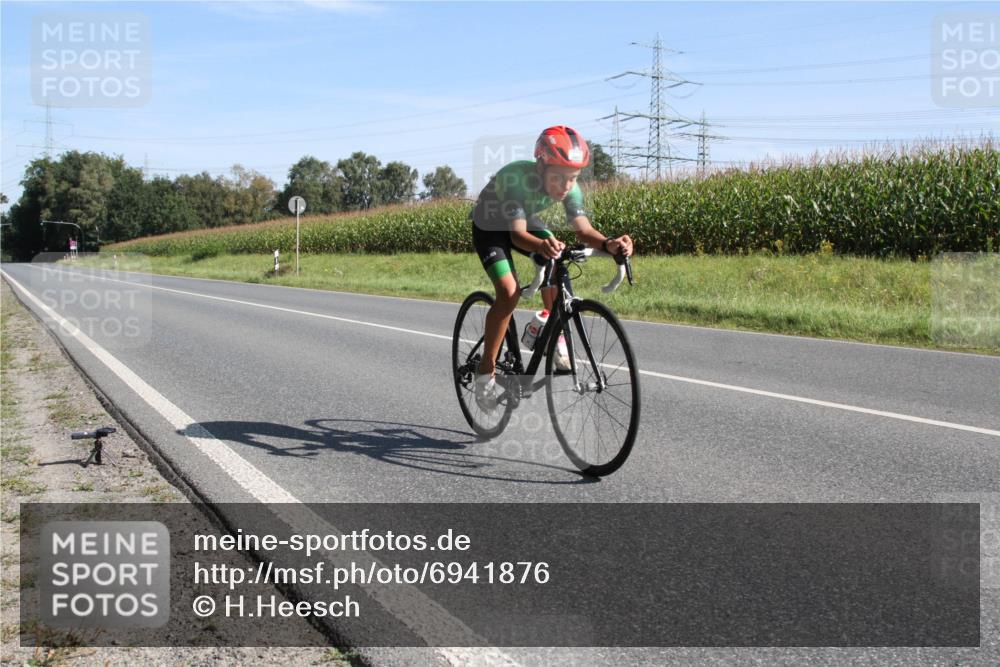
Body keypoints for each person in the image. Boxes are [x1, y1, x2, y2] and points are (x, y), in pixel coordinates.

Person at [470, 125, 634, 411]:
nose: (566, 186)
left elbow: (584, 230)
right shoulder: (516, 180)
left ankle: (551, 329)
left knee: (557, 252)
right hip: (490, 225)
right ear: (541, 165)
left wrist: (609, 244)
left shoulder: (570, 186)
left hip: (523, 218)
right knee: (509, 293)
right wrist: (541, 247)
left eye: (572, 178)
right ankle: (486, 373)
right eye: (558, 177)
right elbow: (517, 235)